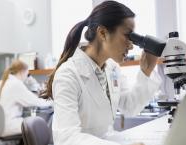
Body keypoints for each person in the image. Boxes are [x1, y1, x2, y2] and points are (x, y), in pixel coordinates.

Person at [42, 1, 161, 145]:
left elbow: (130, 107)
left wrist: (146, 72)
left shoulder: (112, 68)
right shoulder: (68, 75)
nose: (131, 45)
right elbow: (67, 138)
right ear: (103, 33)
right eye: (127, 36)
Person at [0, 59, 51, 136]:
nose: (27, 76)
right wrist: (51, 102)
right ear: (22, 71)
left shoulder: (2, 82)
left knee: (31, 122)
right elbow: (35, 101)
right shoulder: (16, 84)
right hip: (9, 126)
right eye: (27, 73)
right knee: (38, 124)